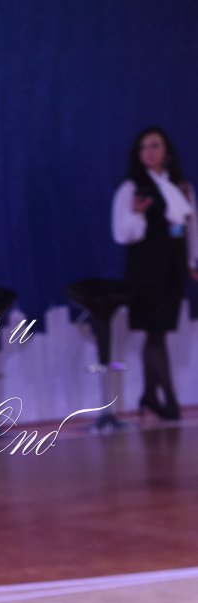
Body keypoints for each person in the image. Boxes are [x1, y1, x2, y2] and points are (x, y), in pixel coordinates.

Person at [112, 126, 198, 420]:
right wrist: (138, 214)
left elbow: (190, 228)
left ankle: (149, 394)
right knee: (155, 333)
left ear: (167, 151)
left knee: (158, 332)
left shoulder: (181, 187)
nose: (149, 152)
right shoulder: (131, 188)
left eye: (155, 146)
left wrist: (193, 262)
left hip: (173, 267)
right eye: (143, 147)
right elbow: (122, 234)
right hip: (146, 269)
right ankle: (169, 400)